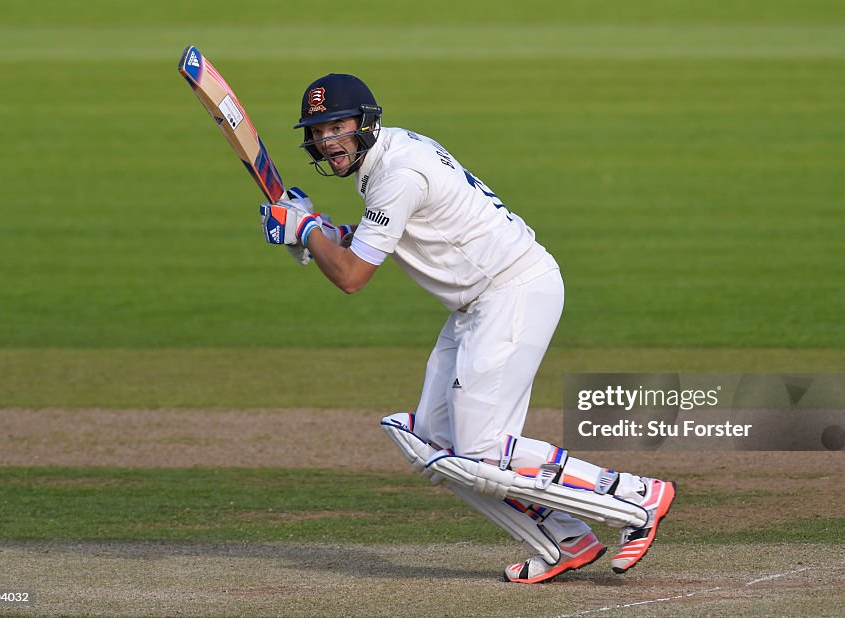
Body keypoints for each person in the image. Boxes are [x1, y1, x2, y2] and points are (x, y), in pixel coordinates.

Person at [259, 73, 677, 583]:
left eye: (337, 126)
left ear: (364, 122)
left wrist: (304, 230)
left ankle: (635, 495)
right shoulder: (390, 155)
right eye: (319, 131)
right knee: (433, 445)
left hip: (512, 291)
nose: (328, 140)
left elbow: (351, 277)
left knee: (479, 449)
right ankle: (566, 540)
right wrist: (323, 231)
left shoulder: (398, 176)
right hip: (477, 305)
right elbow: (388, 233)